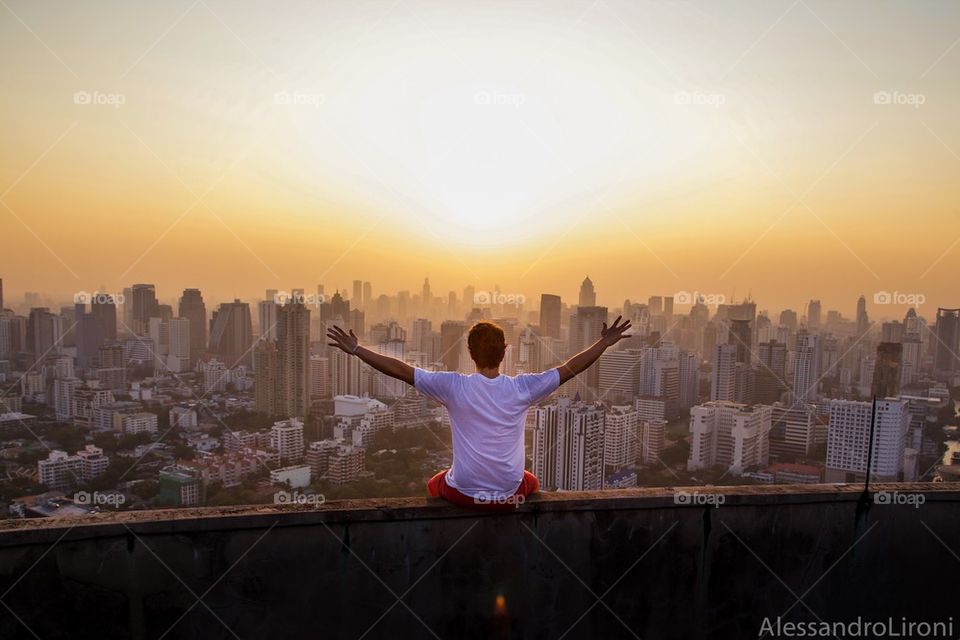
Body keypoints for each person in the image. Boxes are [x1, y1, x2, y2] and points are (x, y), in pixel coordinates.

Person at [327, 316, 631, 510]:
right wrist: (603, 343)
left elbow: (401, 371)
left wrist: (357, 349)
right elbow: (570, 369)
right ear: (505, 351)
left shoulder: (453, 386)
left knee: (435, 484)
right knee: (533, 483)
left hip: (465, 494)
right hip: (511, 496)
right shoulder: (522, 388)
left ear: (470, 353)